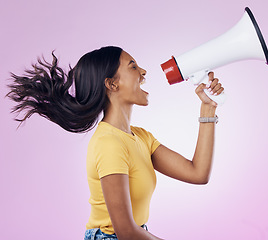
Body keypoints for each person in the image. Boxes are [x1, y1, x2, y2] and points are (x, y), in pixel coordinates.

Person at [7, 46, 224, 240]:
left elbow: (198, 173)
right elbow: (125, 231)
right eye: (133, 67)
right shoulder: (108, 143)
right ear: (112, 84)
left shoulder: (141, 137)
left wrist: (208, 109)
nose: (143, 72)